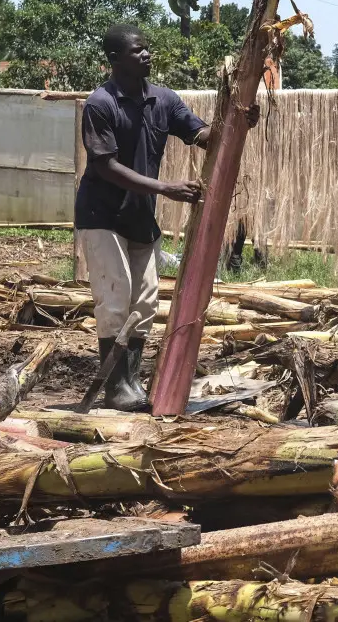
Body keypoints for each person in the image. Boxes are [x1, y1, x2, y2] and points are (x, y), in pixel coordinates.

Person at [75, 24, 258, 410]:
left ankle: (131, 383)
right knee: (115, 299)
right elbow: (105, 166)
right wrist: (165, 189)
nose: (146, 55)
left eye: (147, 49)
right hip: (102, 215)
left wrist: (239, 119)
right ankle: (115, 388)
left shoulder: (163, 100)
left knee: (144, 302)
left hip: (140, 216)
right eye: (137, 50)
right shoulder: (101, 104)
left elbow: (204, 134)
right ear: (114, 59)